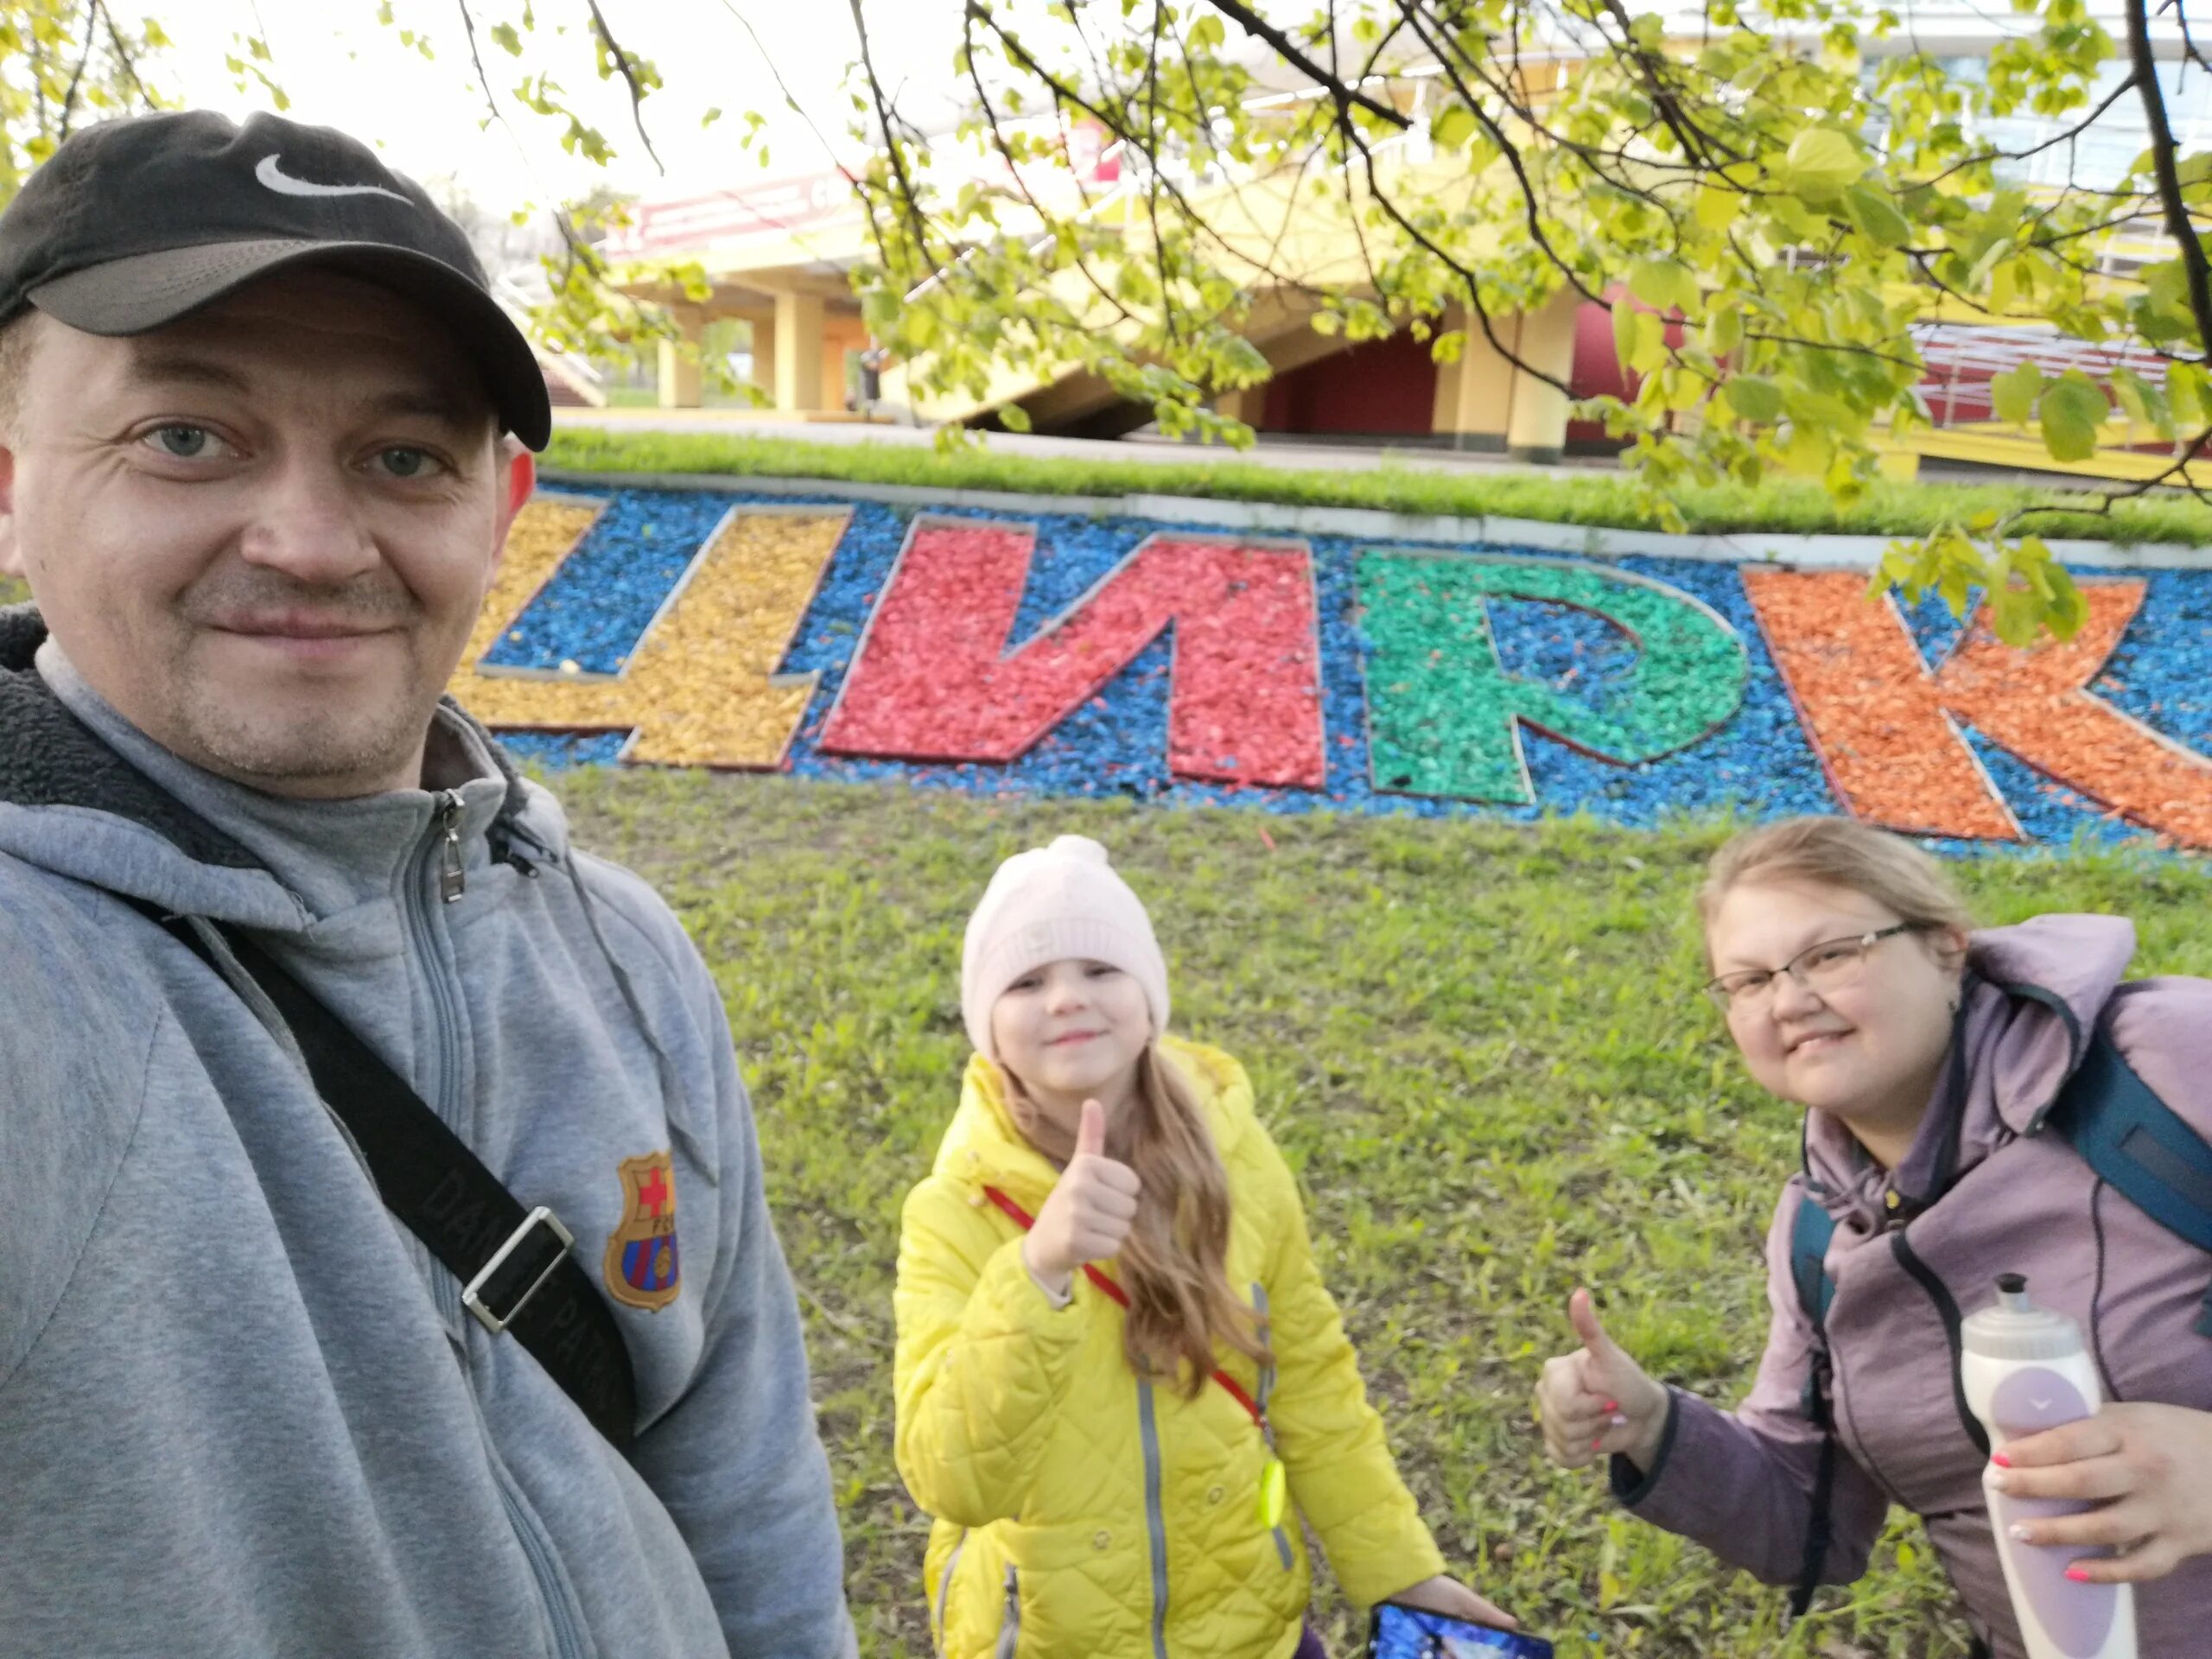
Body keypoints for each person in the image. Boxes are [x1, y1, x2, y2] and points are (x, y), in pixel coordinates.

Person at [0, 110, 855, 1657]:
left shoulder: (631, 963)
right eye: (187, 436)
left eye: (403, 457)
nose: (317, 543)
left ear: (502, 509)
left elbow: (756, 1527)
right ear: (7, 475)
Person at [1534, 815, 2212, 1658]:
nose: (1789, 1000)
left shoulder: (2166, 1063)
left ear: (1945, 947)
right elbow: (1805, 1524)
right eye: (1746, 981)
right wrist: (1650, 1426)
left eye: (1830, 954)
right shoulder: (1818, 1235)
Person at [895, 834, 1511, 1657]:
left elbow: (1311, 1386)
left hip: (1247, 1631)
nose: (1068, 998)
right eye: (1027, 981)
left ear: (1149, 998)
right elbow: (952, 1478)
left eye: (1100, 969)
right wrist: (1038, 1271)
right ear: (988, 1031)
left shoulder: (1239, 1162)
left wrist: (1397, 1572)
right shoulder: (956, 1210)